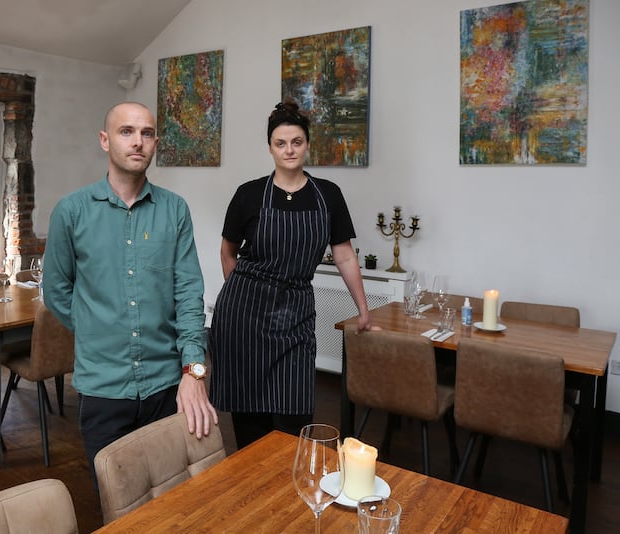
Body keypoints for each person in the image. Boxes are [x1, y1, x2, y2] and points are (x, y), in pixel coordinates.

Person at [42, 101, 218, 476]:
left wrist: (194, 372)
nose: (138, 142)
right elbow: (56, 290)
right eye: (127, 132)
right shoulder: (71, 212)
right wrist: (96, 328)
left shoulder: (174, 210)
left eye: (147, 133)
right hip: (103, 389)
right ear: (105, 141)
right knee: (116, 508)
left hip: (167, 385)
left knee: (172, 500)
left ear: (155, 142)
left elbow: (188, 294)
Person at [210, 101, 376, 448]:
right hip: (243, 320)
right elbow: (228, 252)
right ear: (270, 147)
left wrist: (363, 310)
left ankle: (289, 490)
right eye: (281, 143)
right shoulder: (249, 194)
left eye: (296, 142)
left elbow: (344, 256)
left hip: (297, 312)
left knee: (294, 417)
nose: (289, 150)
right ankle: (254, 492)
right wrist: (244, 299)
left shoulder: (328, 195)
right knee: (249, 419)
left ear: (307, 144)